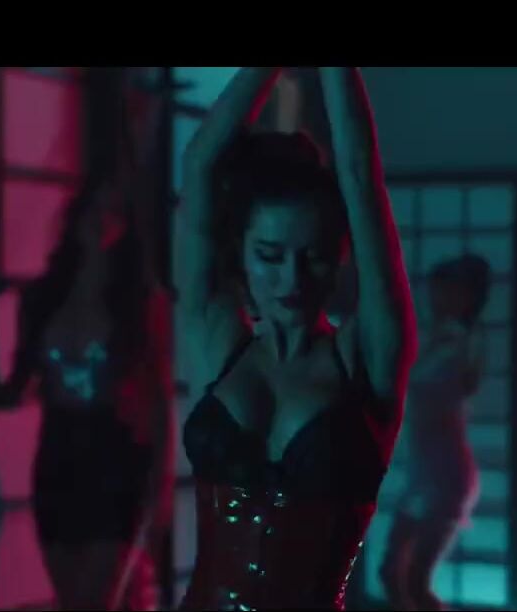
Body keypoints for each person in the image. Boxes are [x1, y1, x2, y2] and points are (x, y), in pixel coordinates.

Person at [175, 67, 416, 610]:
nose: (291, 279)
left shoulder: (364, 358)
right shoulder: (219, 342)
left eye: (313, 258)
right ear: (242, 253)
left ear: (340, 258)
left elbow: (359, 175)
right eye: (270, 255)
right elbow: (199, 163)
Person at [0, 149, 173, 609]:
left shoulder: (139, 303)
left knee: (97, 599)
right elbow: (19, 383)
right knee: (70, 599)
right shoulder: (43, 297)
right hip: (58, 453)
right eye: (94, 206)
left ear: (125, 225)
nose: (100, 219)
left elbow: (158, 397)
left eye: (113, 211)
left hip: (113, 456)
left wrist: (160, 484)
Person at [379, 254, 489, 611]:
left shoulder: (465, 342)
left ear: (467, 296)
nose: (435, 298)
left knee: (414, 580)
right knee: (391, 573)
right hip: (423, 470)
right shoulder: (435, 337)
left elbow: (456, 383)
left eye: (446, 290)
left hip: (446, 471)